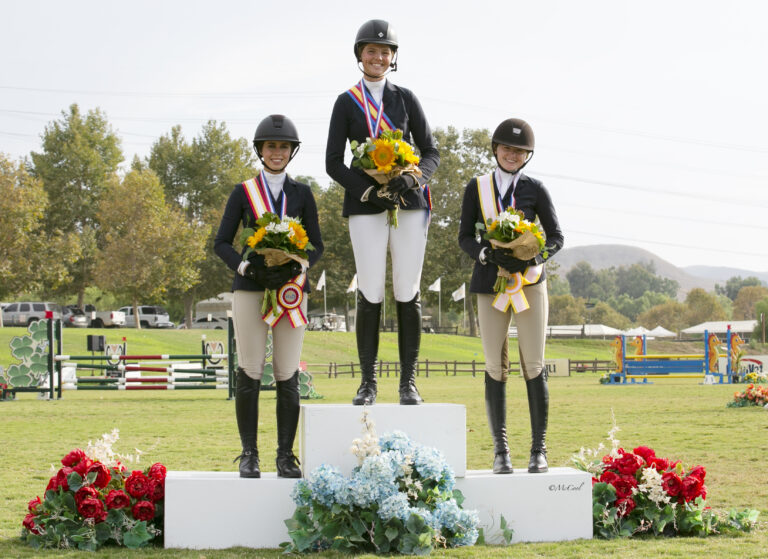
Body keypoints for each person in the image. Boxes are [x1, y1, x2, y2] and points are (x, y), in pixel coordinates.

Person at [325, 19, 440, 406]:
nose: (378, 57)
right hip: (365, 205)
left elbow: (431, 151)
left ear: (393, 58)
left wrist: (414, 179)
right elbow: (333, 163)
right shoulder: (346, 101)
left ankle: (408, 383)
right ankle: (368, 384)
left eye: (385, 51)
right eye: (371, 50)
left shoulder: (406, 98)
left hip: (409, 205)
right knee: (371, 291)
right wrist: (369, 191)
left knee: (407, 290)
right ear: (360, 55)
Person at [215, 114, 323, 478]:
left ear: (292, 151)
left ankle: (284, 456)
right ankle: (249, 454)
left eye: (283, 146)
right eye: (271, 146)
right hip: (250, 289)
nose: (277, 152)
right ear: (260, 150)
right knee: (250, 368)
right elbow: (221, 243)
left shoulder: (303, 193)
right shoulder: (242, 192)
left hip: (291, 290)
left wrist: (296, 267)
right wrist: (247, 268)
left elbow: (317, 244)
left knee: (287, 371)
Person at [458, 118, 563, 474]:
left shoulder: (536, 189)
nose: (512, 154)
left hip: (530, 284)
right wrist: (486, 254)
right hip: (490, 284)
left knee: (533, 363)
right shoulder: (477, 187)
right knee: (494, 365)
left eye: (519, 151)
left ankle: (538, 450)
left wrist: (533, 257)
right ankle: (500, 452)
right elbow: (463, 237)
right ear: (495, 150)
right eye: (506, 148)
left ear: (526, 155)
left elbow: (556, 237)